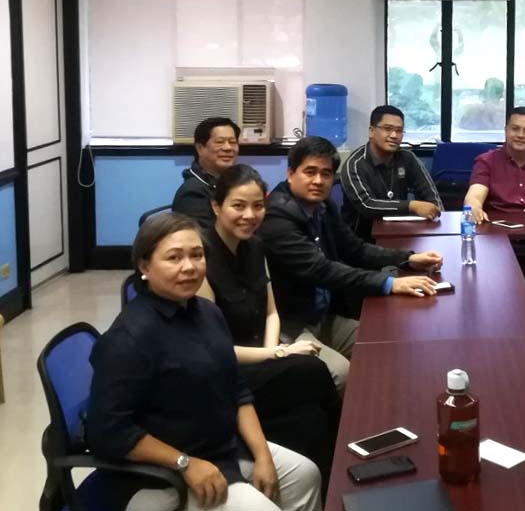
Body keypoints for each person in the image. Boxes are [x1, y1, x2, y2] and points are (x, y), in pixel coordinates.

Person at [86, 213, 321, 511]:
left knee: (305, 475)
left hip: (220, 448)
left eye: (197, 255)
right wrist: (185, 463)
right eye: (174, 258)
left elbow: (237, 389)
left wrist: (262, 455)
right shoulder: (129, 337)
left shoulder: (208, 314)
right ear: (145, 266)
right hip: (162, 474)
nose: (189, 267)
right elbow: (109, 432)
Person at [259, 137, 443, 384]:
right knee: (341, 373)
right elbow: (322, 270)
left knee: (385, 340)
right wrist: (389, 283)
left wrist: (408, 259)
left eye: (326, 174)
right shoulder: (277, 217)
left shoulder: (322, 205)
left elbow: (354, 249)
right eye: (310, 172)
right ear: (291, 173)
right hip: (291, 323)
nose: (318, 181)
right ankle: (344, 422)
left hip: (323, 315)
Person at [197, 164, 340, 481]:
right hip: (227, 372)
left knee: (312, 418)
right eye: (238, 205)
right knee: (312, 370)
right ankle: (337, 467)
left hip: (260, 356)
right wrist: (279, 356)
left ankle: (329, 475)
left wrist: (274, 351)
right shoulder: (201, 260)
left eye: (258, 206)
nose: (250, 215)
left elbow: (271, 312)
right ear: (216, 206)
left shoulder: (255, 246)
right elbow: (215, 350)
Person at [339, 105, 443, 239]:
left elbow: (430, 194)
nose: (394, 135)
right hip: (361, 241)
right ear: (371, 131)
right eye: (387, 129)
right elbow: (367, 205)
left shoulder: (407, 158)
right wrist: (412, 206)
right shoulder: (354, 165)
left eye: (399, 131)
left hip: (401, 234)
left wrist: (437, 213)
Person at [173, 117, 241, 229]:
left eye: (233, 142)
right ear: (200, 148)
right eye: (220, 142)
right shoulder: (192, 193)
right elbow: (205, 241)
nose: (228, 148)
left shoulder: (234, 180)